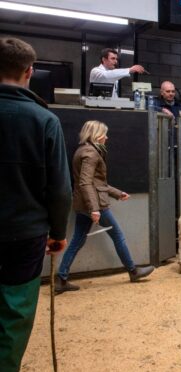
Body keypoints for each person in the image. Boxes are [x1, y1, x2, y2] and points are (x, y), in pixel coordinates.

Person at [0, 37, 72, 372]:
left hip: (23, 232)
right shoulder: (44, 120)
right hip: (24, 234)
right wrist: (57, 232)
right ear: (30, 71)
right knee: (14, 311)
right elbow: (60, 188)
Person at [56, 120, 155, 294]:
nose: (107, 137)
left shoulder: (83, 150)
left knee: (77, 240)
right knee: (118, 236)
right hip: (96, 205)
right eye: (104, 134)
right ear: (97, 135)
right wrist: (94, 209)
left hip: (84, 204)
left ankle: (61, 279)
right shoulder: (92, 153)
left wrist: (117, 193)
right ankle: (133, 271)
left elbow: (96, 183)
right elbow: (86, 183)